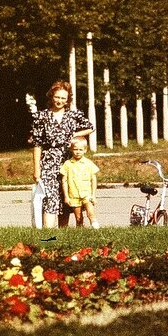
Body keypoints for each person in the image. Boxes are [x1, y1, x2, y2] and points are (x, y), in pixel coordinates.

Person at [30, 81, 93, 229]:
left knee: (67, 197)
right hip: (49, 162)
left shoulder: (73, 115)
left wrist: (73, 135)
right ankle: (48, 236)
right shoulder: (41, 116)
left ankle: (62, 236)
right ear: (52, 96)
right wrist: (36, 169)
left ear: (68, 100)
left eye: (63, 98)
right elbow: (37, 144)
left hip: (68, 160)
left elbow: (90, 128)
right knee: (50, 197)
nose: (60, 101)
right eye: (57, 97)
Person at [60, 138, 100, 228]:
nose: (78, 152)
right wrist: (66, 196)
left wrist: (93, 194)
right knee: (78, 218)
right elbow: (64, 181)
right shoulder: (67, 164)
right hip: (73, 195)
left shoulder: (88, 163)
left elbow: (93, 179)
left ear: (85, 150)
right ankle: (81, 232)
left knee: (91, 213)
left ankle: (96, 229)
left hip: (87, 194)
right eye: (75, 149)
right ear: (71, 150)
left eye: (80, 150)